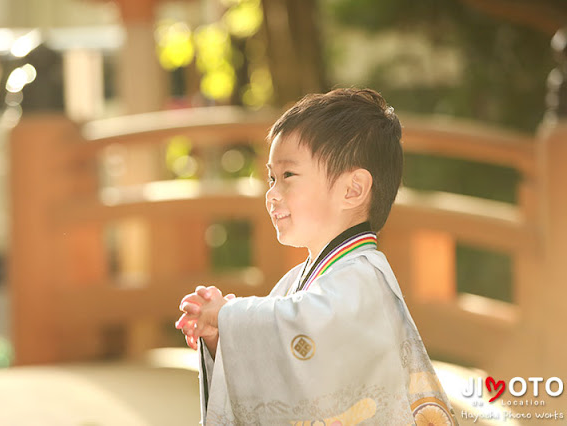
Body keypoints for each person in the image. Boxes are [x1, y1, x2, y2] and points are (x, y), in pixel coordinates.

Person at [175, 88, 458, 425]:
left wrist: (229, 315)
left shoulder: (363, 280)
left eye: (288, 176)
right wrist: (221, 336)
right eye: (271, 178)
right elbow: (287, 357)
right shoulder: (303, 279)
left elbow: (302, 324)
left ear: (352, 189)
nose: (271, 194)